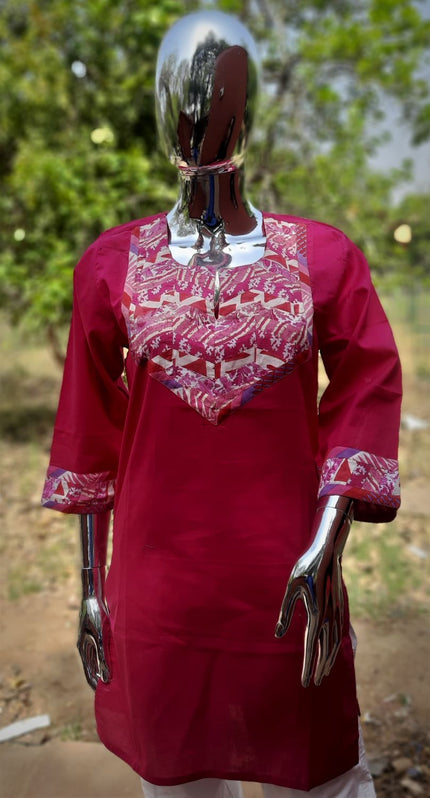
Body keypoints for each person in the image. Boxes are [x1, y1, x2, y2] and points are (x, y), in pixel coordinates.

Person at [42, 10, 401, 797]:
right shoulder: (111, 266)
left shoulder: (322, 258)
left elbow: (368, 388)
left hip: (285, 573)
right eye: (185, 92)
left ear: (252, 110)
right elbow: (87, 435)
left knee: (324, 777)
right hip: (156, 585)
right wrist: (93, 589)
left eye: (221, 95)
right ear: (160, 105)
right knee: (176, 780)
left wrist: (326, 548)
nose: (201, 114)